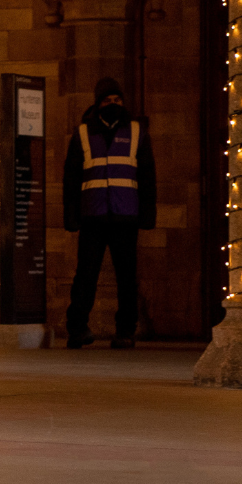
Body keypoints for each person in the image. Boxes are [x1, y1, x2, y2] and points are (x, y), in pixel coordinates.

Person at [62, 77, 155, 349]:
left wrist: (148, 215)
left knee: (127, 277)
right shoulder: (82, 134)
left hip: (126, 216)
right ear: (98, 104)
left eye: (117, 100)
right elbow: (71, 179)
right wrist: (71, 216)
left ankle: (126, 331)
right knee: (85, 275)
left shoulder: (137, 132)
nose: (112, 105)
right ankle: (77, 329)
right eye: (107, 101)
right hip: (93, 216)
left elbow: (148, 177)